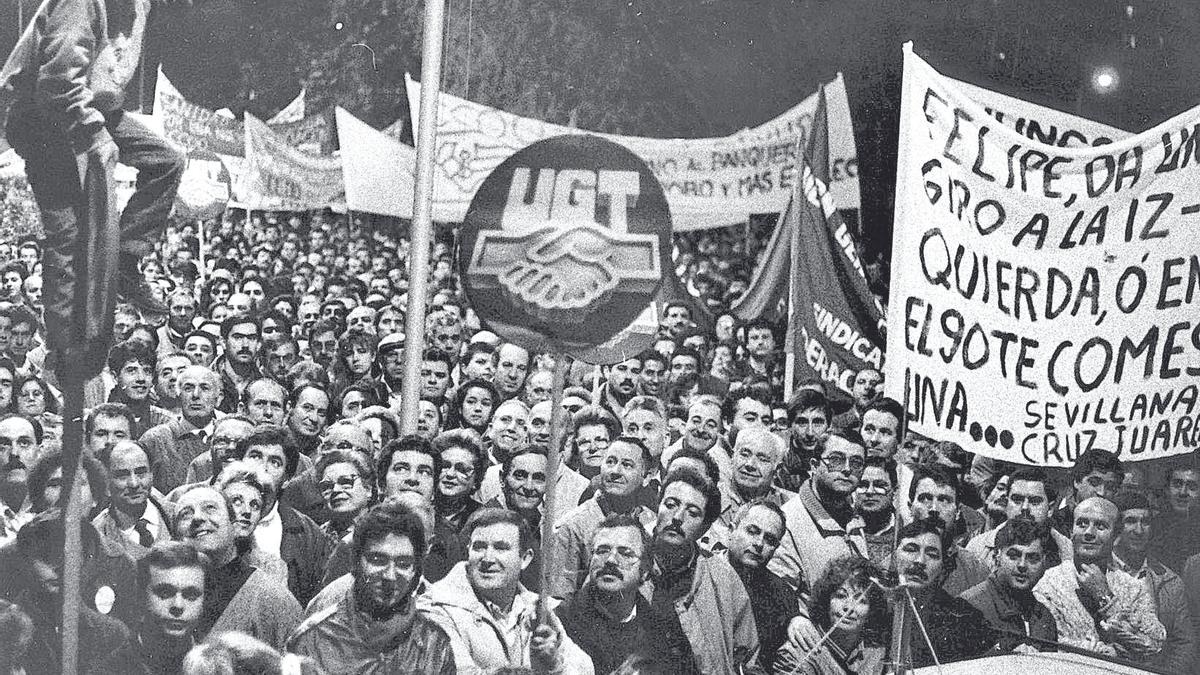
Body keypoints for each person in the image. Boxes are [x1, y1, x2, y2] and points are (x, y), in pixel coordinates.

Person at [1, 0, 185, 369]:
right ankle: (64, 343)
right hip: (47, 123)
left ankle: (126, 258)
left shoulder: (117, 12)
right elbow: (58, 84)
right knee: (68, 238)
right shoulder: (80, 3)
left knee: (167, 161)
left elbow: (111, 89)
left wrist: (141, 19)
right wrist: (96, 136)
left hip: (85, 112)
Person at [419, 508, 594, 674]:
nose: (487, 558)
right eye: (479, 547)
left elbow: (585, 669)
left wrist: (555, 664)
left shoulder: (536, 607)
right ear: (468, 552)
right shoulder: (435, 606)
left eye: (501, 548)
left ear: (525, 558)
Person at [288, 501, 457, 673]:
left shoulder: (434, 644)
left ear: (417, 568)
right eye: (378, 560)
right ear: (356, 561)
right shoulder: (313, 639)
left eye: (404, 564)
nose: (390, 576)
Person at [646, 466, 761, 671]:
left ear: (705, 527)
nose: (678, 517)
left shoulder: (722, 577)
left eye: (693, 512)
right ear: (658, 506)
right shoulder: (627, 559)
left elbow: (747, 657)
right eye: (671, 504)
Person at [172, 484, 302, 649]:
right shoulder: (170, 599)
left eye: (210, 508)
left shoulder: (272, 599)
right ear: (175, 537)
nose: (197, 518)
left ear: (234, 526)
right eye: (185, 514)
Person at [1034, 496, 1165, 658]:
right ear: (1071, 531)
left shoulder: (1134, 588)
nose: (1089, 533)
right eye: (1082, 524)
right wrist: (1104, 652)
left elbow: (1154, 645)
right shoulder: (1048, 583)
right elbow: (1046, 642)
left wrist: (1106, 599)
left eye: (1100, 526)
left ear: (1116, 535)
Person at [555, 514, 672, 673]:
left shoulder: (658, 630)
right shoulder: (562, 621)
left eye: (625, 553)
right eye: (602, 550)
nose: (610, 559)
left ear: (644, 571)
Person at [549, 437, 657, 600]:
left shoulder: (650, 523)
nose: (615, 471)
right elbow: (559, 599)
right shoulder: (572, 527)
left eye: (627, 465)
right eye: (610, 462)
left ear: (646, 477)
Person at [86, 542, 210, 674]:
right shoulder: (107, 670)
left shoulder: (216, 668)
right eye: (165, 593)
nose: (178, 605)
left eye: (190, 595)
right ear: (140, 596)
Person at [771, 428, 869, 593]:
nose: (847, 469)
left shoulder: (854, 519)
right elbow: (782, 599)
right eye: (836, 460)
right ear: (814, 466)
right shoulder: (788, 522)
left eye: (856, 463)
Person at [891, 519, 995, 666]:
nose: (920, 561)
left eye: (932, 555)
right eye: (911, 549)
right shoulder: (873, 605)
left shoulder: (962, 618)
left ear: (943, 567)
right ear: (894, 556)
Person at [1112, 491, 1194, 673]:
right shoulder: (1101, 571)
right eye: (1130, 521)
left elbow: (1183, 643)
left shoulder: (1170, 582)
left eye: (1145, 522)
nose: (1139, 530)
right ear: (1117, 526)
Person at [772, 556, 889, 675]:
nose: (849, 607)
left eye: (861, 601)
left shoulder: (877, 652)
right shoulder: (797, 654)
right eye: (841, 596)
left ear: (872, 610)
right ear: (826, 600)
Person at [960, 517, 1058, 654]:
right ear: (997, 556)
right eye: (1014, 556)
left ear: (1044, 563)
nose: (1022, 565)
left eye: (1032, 558)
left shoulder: (1044, 617)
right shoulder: (969, 607)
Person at [722, 500, 798, 669]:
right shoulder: (701, 573)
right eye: (752, 531)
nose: (759, 544)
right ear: (731, 530)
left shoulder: (782, 595)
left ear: (776, 548)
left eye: (769, 539)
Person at [702, 426, 795, 549]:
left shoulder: (791, 506)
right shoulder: (706, 498)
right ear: (732, 458)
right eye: (744, 455)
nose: (750, 464)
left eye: (762, 459)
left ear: (777, 469)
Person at [139, 365, 224, 493]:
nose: (196, 395)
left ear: (217, 398)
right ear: (179, 396)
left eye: (204, 388)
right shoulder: (155, 440)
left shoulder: (229, 438)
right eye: (188, 388)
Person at [967, 467, 1073, 568]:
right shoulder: (978, 547)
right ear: (1007, 503)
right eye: (1017, 500)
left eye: (1034, 501)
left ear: (1050, 509)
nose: (1025, 508)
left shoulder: (1068, 552)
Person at [92, 439, 174, 559]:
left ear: (152, 475)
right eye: (122, 475)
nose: (134, 484)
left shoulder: (176, 516)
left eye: (141, 473)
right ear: (106, 482)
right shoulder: (97, 536)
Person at [1050, 448, 1124, 537]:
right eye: (1094, 483)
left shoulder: (1120, 527)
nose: (1101, 492)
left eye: (1110, 487)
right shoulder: (1054, 526)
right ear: (1077, 482)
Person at [777, 389, 833, 491]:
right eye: (802, 422)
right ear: (790, 425)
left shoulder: (835, 464)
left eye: (818, 422)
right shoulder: (779, 465)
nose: (810, 433)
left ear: (828, 426)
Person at [856, 457, 899, 566]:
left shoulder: (904, 533)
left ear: (894, 491)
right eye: (863, 485)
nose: (870, 491)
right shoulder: (844, 529)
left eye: (879, 485)